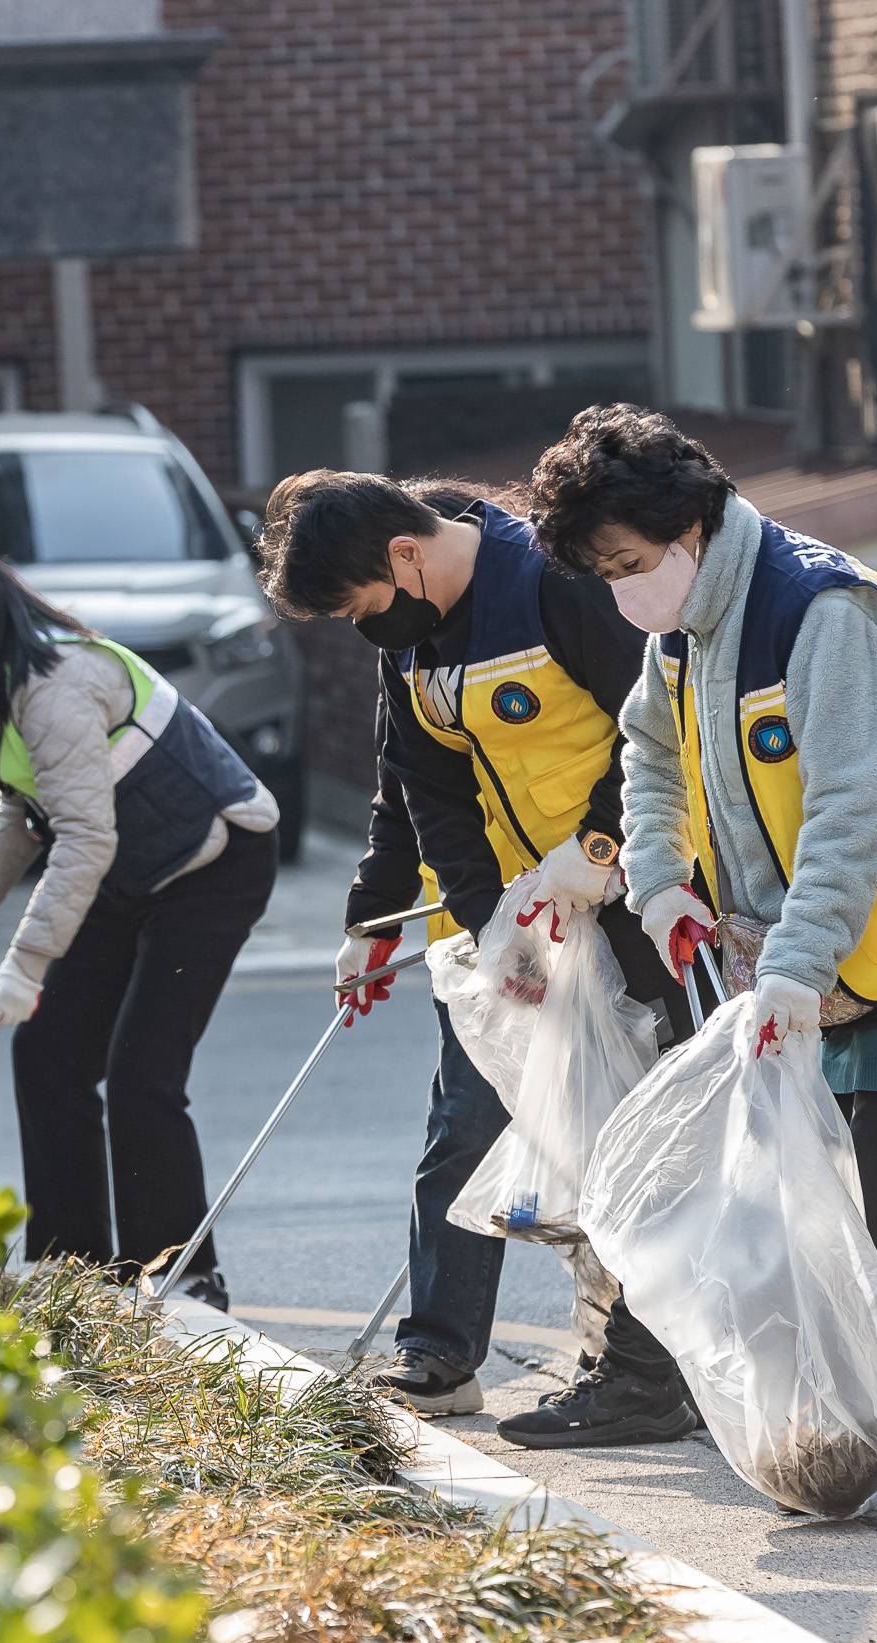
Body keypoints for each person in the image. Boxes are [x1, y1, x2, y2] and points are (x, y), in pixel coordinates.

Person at [529, 404, 877, 1501]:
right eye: (604, 573)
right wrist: (660, 879)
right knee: (866, 1188)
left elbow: (852, 808)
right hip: (828, 953)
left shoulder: (821, 608)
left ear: (692, 524)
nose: (624, 591)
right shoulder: (685, 626)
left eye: (630, 562)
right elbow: (648, 752)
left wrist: (795, 968)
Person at [259, 471, 694, 1447]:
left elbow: (663, 727)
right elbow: (418, 786)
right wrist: (438, 921)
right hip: (520, 919)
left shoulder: (551, 582)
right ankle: (438, 1355)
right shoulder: (410, 640)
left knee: (643, 1136)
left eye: (360, 602)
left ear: (403, 556)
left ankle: (645, 1366)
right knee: (466, 1121)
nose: (363, 625)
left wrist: (594, 854)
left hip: (631, 900)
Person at [0, 522, 277, 1307]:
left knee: (142, 1071)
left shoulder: (53, 683)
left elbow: (83, 835)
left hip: (212, 860)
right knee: (50, 1056)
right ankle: (80, 1275)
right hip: (125, 866)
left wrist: (24, 964)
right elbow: (22, 810)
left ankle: (182, 1273)